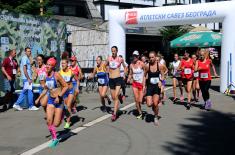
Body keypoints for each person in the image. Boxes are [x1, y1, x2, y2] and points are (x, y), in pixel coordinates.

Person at [36, 57, 68, 148]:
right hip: (50, 100)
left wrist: (59, 96)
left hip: (59, 101)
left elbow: (65, 86)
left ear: (53, 67)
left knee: (57, 124)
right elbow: (46, 89)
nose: (47, 66)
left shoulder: (57, 75)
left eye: (50, 65)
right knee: (49, 120)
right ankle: (55, 139)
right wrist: (39, 98)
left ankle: (63, 112)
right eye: (47, 64)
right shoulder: (46, 76)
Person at [105, 46, 127, 121]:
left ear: (117, 51)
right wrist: (106, 70)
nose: (113, 52)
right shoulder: (109, 58)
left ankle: (114, 114)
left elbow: (125, 67)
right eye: (112, 51)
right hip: (111, 79)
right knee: (114, 97)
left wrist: (124, 74)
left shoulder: (120, 59)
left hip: (118, 79)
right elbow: (104, 65)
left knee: (116, 96)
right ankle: (120, 96)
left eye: (114, 51)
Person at [145, 51, 165, 126]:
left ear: (155, 57)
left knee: (156, 103)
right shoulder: (147, 66)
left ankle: (156, 117)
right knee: (149, 104)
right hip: (150, 86)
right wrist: (144, 86)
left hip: (157, 87)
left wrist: (161, 81)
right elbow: (144, 76)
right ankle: (155, 107)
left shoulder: (160, 65)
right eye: (150, 57)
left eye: (152, 57)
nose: (151, 59)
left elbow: (163, 76)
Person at [127, 50, 145, 119]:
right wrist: (129, 78)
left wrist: (145, 83)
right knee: (136, 100)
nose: (134, 57)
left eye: (135, 56)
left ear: (138, 56)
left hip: (141, 84)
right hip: (135, 84)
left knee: (140, 100)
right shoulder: (131, 65)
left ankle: (145, 98)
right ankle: (140, 113)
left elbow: (146, 73)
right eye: (133, 56)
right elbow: (130, 73)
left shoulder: (141, 64)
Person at [59, 59, 75, 129]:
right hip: (64, 92)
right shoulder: (60, 73)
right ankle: (72, 105)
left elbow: (77, 78)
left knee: (68, 106)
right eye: (62, 63)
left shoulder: (71, 72)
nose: (63, 65)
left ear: (67, 64)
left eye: (64, 63)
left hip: (70, 91)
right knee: (66, 107)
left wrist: (76, 87)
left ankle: (68, 122)